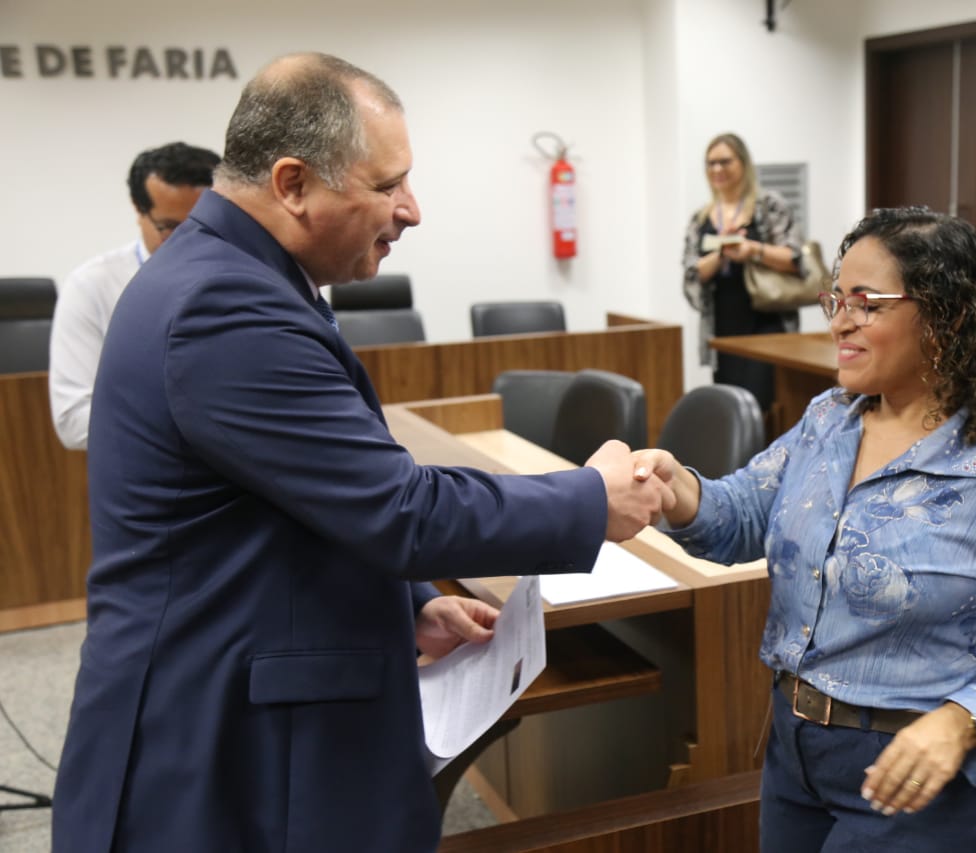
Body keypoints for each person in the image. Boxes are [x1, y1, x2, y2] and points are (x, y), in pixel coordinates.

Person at [51, 53, 671, 853]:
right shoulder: (222, 304)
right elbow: (398, 507)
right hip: (213, 745)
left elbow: (286, 498)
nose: (411, 209)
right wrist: (591, 498)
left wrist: (410, 602)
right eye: (386, 185)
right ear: (292, 182)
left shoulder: (239, 274)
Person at [639, 207, 976, 852]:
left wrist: (963, 722)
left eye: (867, 304)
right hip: (793, 753)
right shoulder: (829, 418)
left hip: (914, 778)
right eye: (837, 298)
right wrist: (680, 491)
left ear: (947, 317)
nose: (839, 322)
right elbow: (747, 514)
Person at [48, 141, 221, 449]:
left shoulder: (248, 277)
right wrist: (198, 422)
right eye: (170, 227)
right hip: (154, 470)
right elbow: (73, 420)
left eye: (203, 225)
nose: (190, 240)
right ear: (138, 209)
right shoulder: (93, 286)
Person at [682, 132, 803, 415]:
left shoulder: (768, 206)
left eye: (725, 162)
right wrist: (722, 251)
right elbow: (691, 274)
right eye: (710, 164)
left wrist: (752, 250)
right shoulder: (701, 218)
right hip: (722, 327)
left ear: (743, 163)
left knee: (759, 407)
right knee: (731, 409)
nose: (717, 170)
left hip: (766, 324)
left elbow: (796, 259)